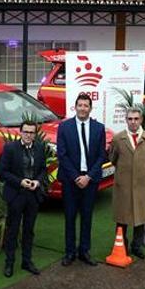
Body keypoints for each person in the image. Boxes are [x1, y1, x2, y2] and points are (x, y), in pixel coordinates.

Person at [56, 93, 106, 266]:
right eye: (80, 105)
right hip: (71, 181)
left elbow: (101, 156)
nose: (83, 108)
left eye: (86, 105)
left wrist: (89, 176)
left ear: (90, 108)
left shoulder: (99, 128)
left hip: (90, 180)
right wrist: (77, 177)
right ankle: (70, 252)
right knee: (70, 217)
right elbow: (62, 155)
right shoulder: (64, 127)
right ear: (75, 107)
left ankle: (84, 251)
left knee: (87, 216)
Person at [0, 120, 48, 277]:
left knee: (29, 230)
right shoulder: (10, 148)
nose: (28, 135)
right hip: (16, 195)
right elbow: (3, 172)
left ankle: (27, 261)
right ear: (20, 132)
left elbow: (43, 169)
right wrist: (20, 181)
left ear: (35, 134)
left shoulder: (40, 148)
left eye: (31, 132)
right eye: (25, 132)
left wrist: (37, 181)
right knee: (13, 230)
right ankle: (9, 263)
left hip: (33, 195)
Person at [108, 107, 145, 259]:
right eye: (130, 119)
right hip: (123, 185)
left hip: (142, 185)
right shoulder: (118, 139)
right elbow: (113, 159)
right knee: (122, 218)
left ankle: (137, 245)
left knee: (140, 217)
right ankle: (121, 245)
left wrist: (143, 176)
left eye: (136, 119)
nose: (133, 122)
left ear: (141, 120)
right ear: (126, 120)